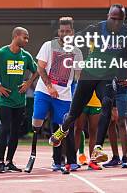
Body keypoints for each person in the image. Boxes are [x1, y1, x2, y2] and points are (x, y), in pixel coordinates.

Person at [49, 5, 127, 167]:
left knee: (107, 104)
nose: (116, 23)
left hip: (107, 77)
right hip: (89, 75)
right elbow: (77, 37)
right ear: (108, 16)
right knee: (73, 115)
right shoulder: (96, 28)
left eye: (120, 20)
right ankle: (62, 129)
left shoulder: (126, 33)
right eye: (113, 19)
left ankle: (98, 148)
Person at [0, 27, 38, 173]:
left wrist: (28, 83)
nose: (27, 40)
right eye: (25, 37)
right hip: (5, 100)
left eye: (28, 38)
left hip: (20, 100)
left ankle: (9, 161)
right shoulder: (0, 53)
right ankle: (0, 163)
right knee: (4, 129)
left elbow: (37, 70)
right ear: (16, 36)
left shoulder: (26, 56)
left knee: (15, 132)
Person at [29, 17, 83, 174]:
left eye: (67, 31)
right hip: (45, 90)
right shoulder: (48, 46)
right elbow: (40, 69)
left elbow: (78, 77)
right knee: (38, 120)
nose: (64, 33)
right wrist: (49, 86)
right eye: (62, 30)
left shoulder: (77, 52)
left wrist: (78, 96)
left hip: (64, 95)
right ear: (58, 31)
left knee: (63, 129)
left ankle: (67, 161)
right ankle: (51, 156)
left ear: (72, 33)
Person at [74, 91, 102, 170]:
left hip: (96, 102)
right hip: (82, 101)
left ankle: (93, 161)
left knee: (93, 131)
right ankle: (72, 160)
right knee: (78, 129)